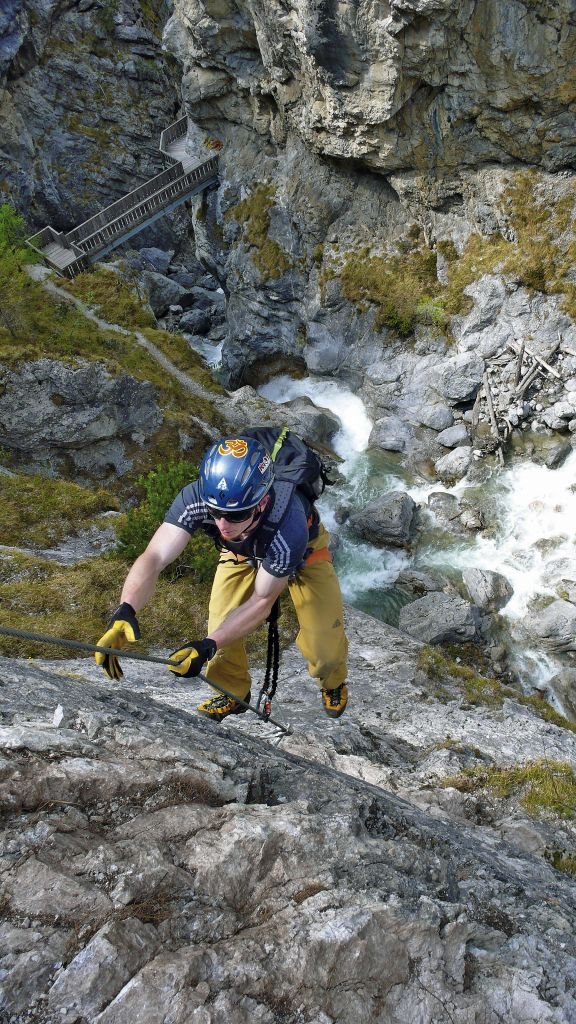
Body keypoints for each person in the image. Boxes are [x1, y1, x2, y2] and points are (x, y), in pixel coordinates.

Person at [95, 435, 348, 722]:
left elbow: (262, 601)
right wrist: (125, 609)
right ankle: (233, 692)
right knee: (221, 621)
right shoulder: (200, 497)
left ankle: (333, 682)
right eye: (215, 513)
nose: (222, 525)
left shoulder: (288, 526)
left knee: (324, 645)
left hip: (303, 552)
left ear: (262, 502)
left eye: (236, 514)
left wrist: (207, 645)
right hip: (240, 550)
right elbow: (154, 557)